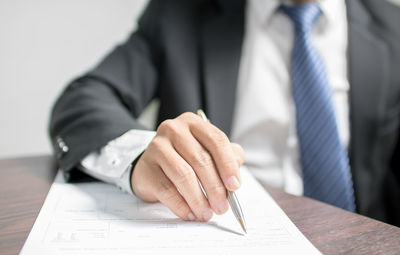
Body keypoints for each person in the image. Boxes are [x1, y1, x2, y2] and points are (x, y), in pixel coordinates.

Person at [49, 0, 400, 226]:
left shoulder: (394, 25)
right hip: (224, 237)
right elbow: (85, 99)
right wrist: (139, 156)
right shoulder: (180, 13)